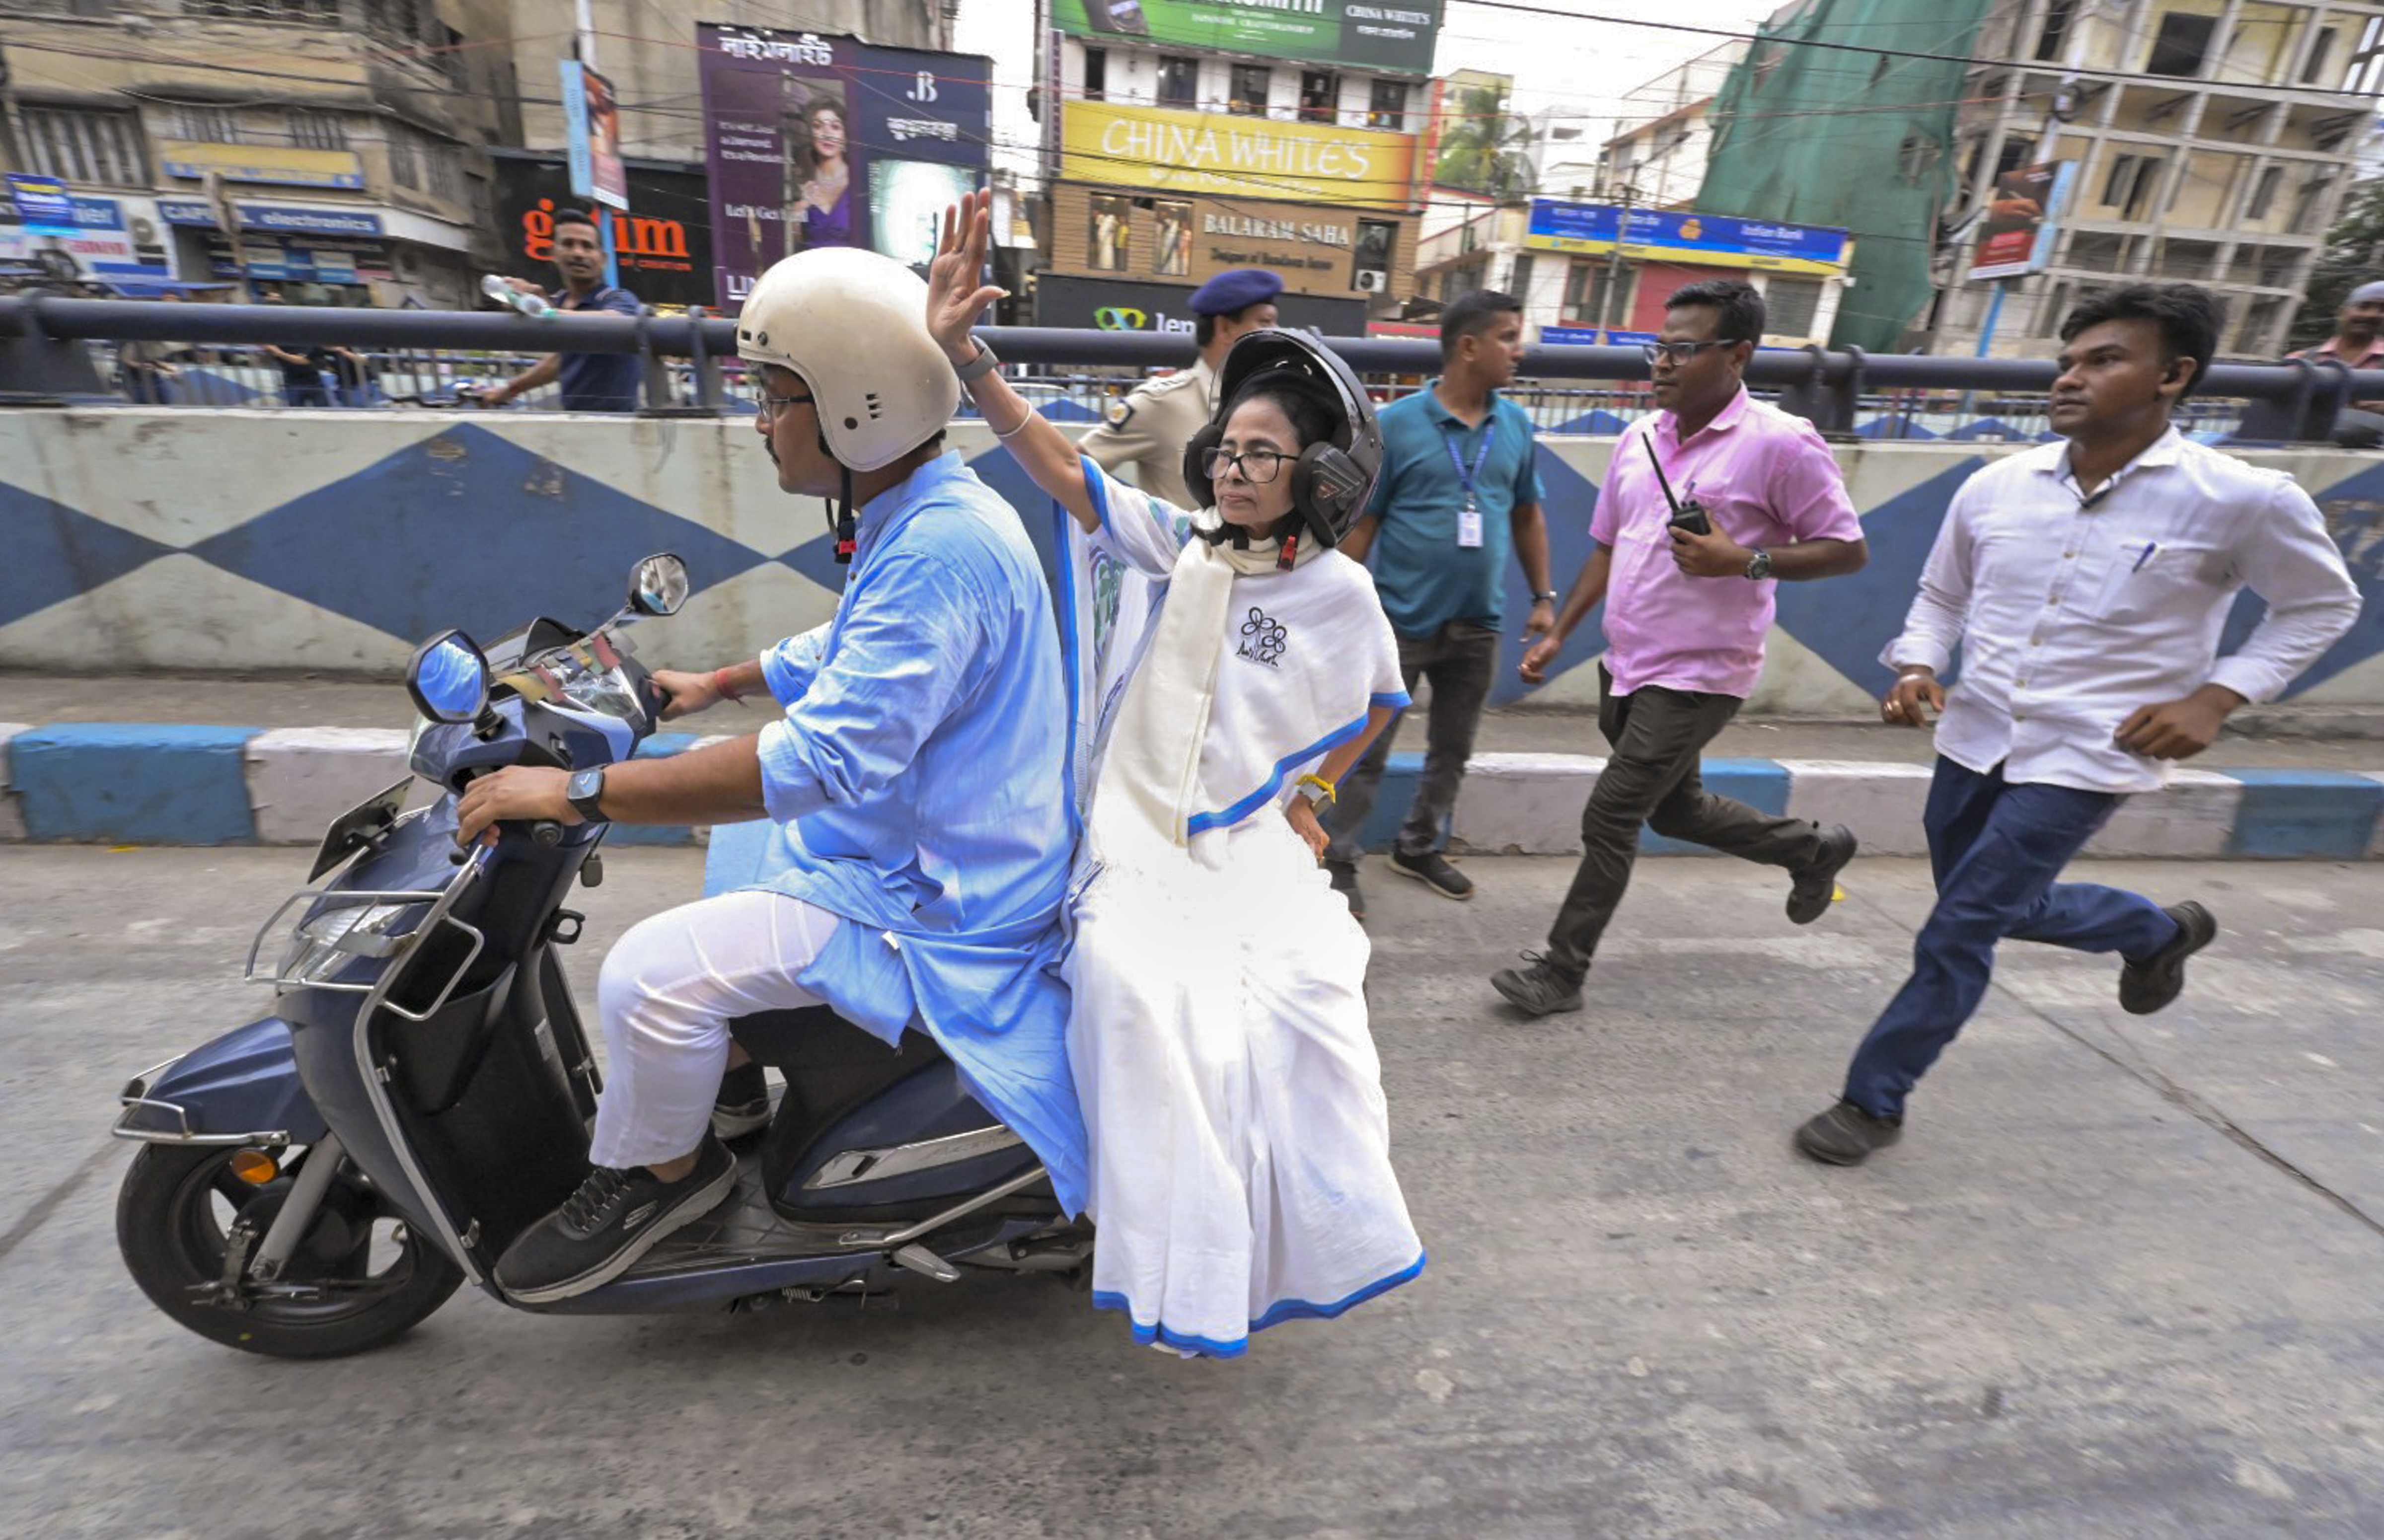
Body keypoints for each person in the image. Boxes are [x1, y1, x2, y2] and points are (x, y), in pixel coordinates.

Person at [453, 247, 1088, 1301]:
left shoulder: (941, 546)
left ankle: (668, 1179)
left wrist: (573, 791)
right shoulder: (928, 508)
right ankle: (736, 1094)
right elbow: (857, 640)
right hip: (925, 841)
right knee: (735, 855)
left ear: (858, 409)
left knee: (647, 974)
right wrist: (721, 680)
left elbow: (823, 759)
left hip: (944, 895)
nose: (761, 421)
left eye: (778, 396)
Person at [927, 190, 1424, 1357]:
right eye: (1231, 448)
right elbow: (1060, 471)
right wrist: (966, 358)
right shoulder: (1181, 545)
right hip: (1136, 838)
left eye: (1268, 452)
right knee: (1140, 996)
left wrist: (1305, 799)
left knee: (1309, 1023)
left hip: (1246, 845)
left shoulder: (1338, 595)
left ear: (1318, 472)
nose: (1241, 468)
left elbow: (1374, 703)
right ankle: (1148, 1244)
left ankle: (1285, 1246)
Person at [1795, 284, 2361, 1167]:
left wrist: (2216, 698)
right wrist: (1916, 664)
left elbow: (2322, 606)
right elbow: (1943, 594)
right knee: (1987, 907)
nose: (2071, 377)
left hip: (2092, 750)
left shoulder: (2241, 498)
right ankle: (2155, 932)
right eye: (2068, 360)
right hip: (1976, 733)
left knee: (1960, 926)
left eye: (2104, 360)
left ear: (2173, 375)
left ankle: (1873, 1099)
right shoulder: (1996, 486)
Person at [1492, 279, 1870, 1018]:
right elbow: (1608, 545)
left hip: (1703, 671)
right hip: (1627, 662)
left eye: (1682, 349)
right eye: (1658, 348)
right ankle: (1812, 850)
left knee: (1612, 814)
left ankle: (1562, 972)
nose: (1662, 363)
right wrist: (1562, 631)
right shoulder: (1638, 440)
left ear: (1738, 356)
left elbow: (1846, 550)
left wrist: (1748, 561)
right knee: (1677, 810)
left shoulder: (1781, 443)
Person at [1322, 289, 1559, 919]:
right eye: (1509, 336)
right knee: (1365, 747)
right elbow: (1365, 523)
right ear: (1468, 346)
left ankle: (1418, 845)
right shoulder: (1398, 424)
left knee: (1454, 748)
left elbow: (1528, 515)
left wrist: (1543, 598)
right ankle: (1338, 857)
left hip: (1478, 622)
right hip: (1399, 622)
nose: (1520, 349)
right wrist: (1336, 606)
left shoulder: (1515, 425)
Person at [1078, 268, 1283, 519]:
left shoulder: (1271, 401)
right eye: (1265, 322)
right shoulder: (1163, 403)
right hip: (1180, 556)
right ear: (1224, 329)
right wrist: (1127, 532)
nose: (1276, 332)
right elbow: (1077, 466)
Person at [478, 208, 643, 413]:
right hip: (573, 421)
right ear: (553, 253)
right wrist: (508, 391)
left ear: (603, 259)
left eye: (587, 246)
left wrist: (541, 310)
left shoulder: (618, 299)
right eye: (568, 244)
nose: (578, 253)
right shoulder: (558, 301)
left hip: (619, 424)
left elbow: (614, 322)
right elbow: (558, 362)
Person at [2288, 279, 2384, 444]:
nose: (2371, 315)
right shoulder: (2300, 360)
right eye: (2363, 306)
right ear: (2342, 313)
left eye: (2383, 309)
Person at [792, 98, 853, 249]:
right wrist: (798, 214)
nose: (827, 134)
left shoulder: (859, 181)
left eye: (835, 127)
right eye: (818, 126)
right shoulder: (800, 184)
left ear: (845, 135)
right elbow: (793, 243)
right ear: (810, 134)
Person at [257, 294, 334, 408]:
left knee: (322, 413)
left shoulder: (301, 330)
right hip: (295, 381)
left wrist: (278, 353)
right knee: (302, 414)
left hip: (311, 380)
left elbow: (305, 360)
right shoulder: (274, 333)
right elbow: (264, 356)